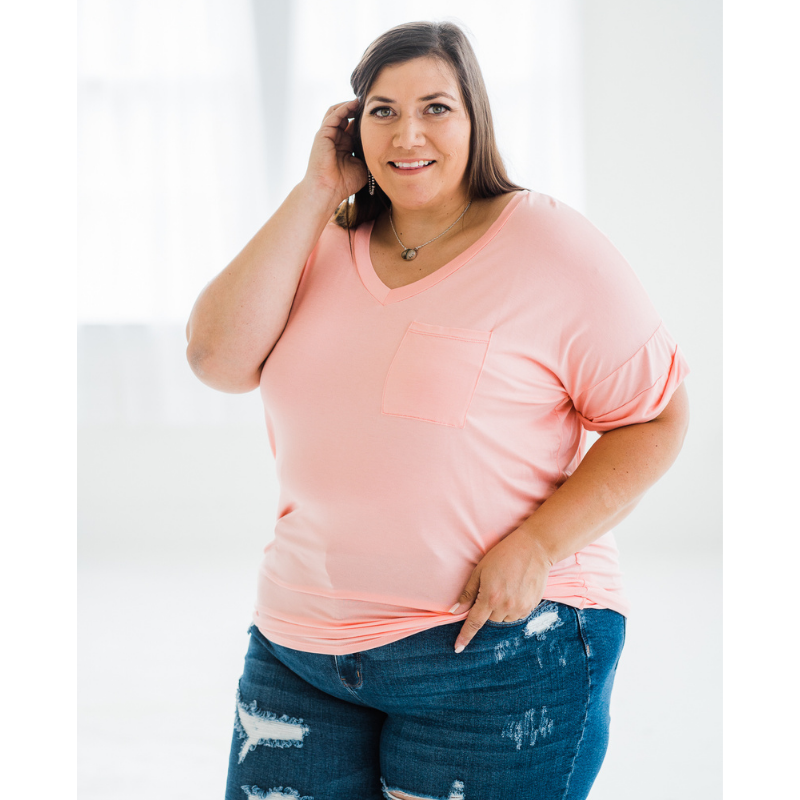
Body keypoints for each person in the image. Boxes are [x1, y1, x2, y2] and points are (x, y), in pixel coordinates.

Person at [186, 20, 690, 800]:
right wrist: (318, 191)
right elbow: (216, 360)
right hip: (300, 649)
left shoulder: (550, 248)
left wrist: (539, 544)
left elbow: (655, 417)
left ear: (475, 118)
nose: (407, 132)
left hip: (499, 654)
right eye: (382, 109)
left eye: (435, 107)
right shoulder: (319, 243)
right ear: (353, 126)